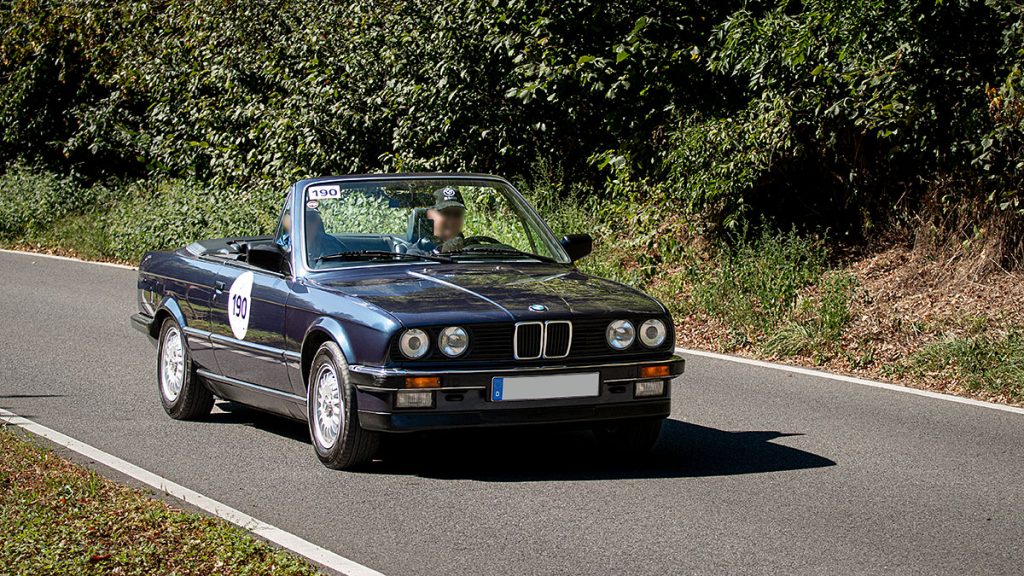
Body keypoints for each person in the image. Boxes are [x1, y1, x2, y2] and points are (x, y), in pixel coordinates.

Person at [422, 187, 467, 252]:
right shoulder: (417, 253)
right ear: (431, 216)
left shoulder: (472, 249)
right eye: (445, 213)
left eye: (457, 214)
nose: (452, 220)